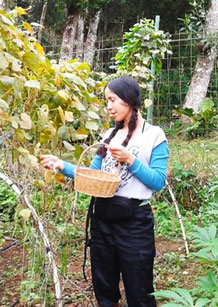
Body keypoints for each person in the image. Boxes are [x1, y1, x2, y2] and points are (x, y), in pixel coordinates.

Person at [41, 76, 169, 307]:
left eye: (113, 100)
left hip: (135, 223)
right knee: (105, 286)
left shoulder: (154, 135)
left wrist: (131, 160)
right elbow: (93, 174)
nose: (108, 106)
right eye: (106, 100)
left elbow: (158, 181)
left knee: (139, 288)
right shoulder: (108, 136)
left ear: (129, 100)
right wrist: (62, 165)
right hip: (103, 219)